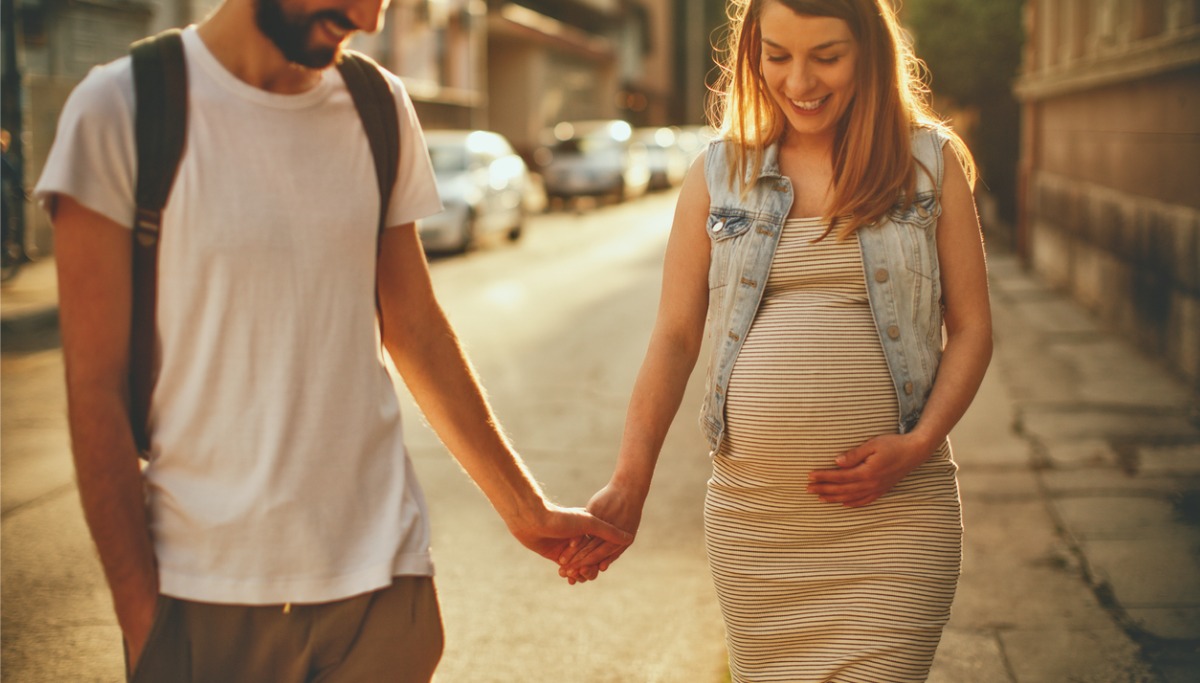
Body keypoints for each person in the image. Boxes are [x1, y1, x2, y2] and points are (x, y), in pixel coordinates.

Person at [34, 0, 630, 680]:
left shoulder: (377, 106)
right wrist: (148, 629)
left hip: (381, 592)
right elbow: (94, 392)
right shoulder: (122, 109)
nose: (368, 18)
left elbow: (416, 330)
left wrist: (524, 508)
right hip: (204, 596)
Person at [559, 0, 992, 680]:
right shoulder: (716, 174)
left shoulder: (929, 163)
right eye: (778, 56)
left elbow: (971, 328)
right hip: (758, 529)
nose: (799, 82)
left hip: (897, 519)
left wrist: (915, 445)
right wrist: (629, 482)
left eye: (827, 56)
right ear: (751, 54)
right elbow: (674, 338)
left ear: (870, 53)